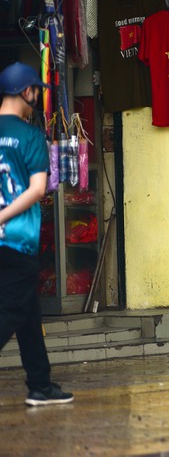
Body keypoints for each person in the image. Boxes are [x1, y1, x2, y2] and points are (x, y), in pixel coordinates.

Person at [0, 62, 74, 406]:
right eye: (35, 92)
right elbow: (37, 188)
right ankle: (41, 385)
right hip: (16, 239)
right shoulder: (30, 135)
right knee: (11, 312)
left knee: (28, 313)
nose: (35, 98)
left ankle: (41, 385)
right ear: (26, 92)